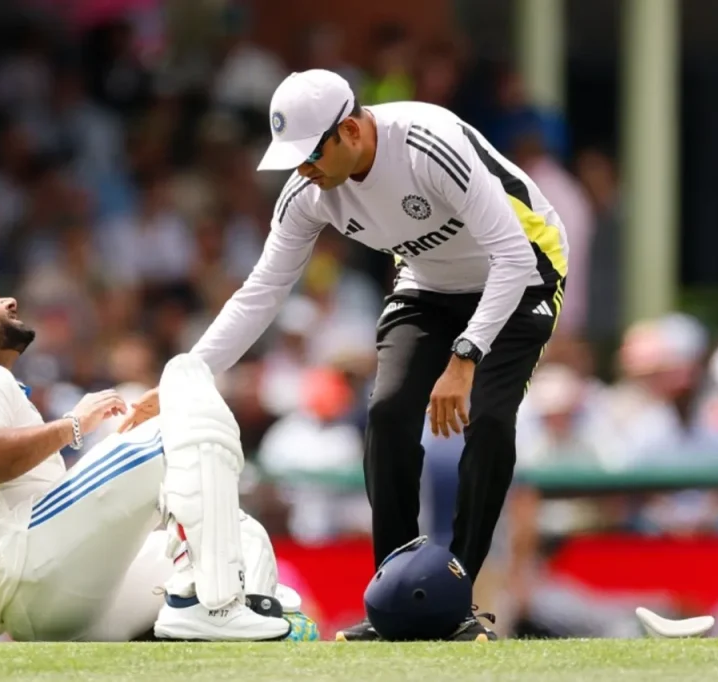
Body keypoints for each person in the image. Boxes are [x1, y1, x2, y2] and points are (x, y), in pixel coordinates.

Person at [119, 69, 569, 642]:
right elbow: (261, 292)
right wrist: (186, 377)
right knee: (386, 413)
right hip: (428, 284)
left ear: (352, 130)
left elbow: (510, 256)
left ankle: (456, 599)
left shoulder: (430, 146)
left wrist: (464, 358)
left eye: (310, 155)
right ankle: (396, 598)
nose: (303, 170)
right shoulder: (308, 192)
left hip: (524, 270)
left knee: (489, 418)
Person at [0, 256, 304, 642]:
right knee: (184, 400)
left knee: (240, 536)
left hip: (65, 604)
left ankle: (236, 606)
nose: (10, 302)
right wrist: (72, 425)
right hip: (29, 570)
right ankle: (215, 607)